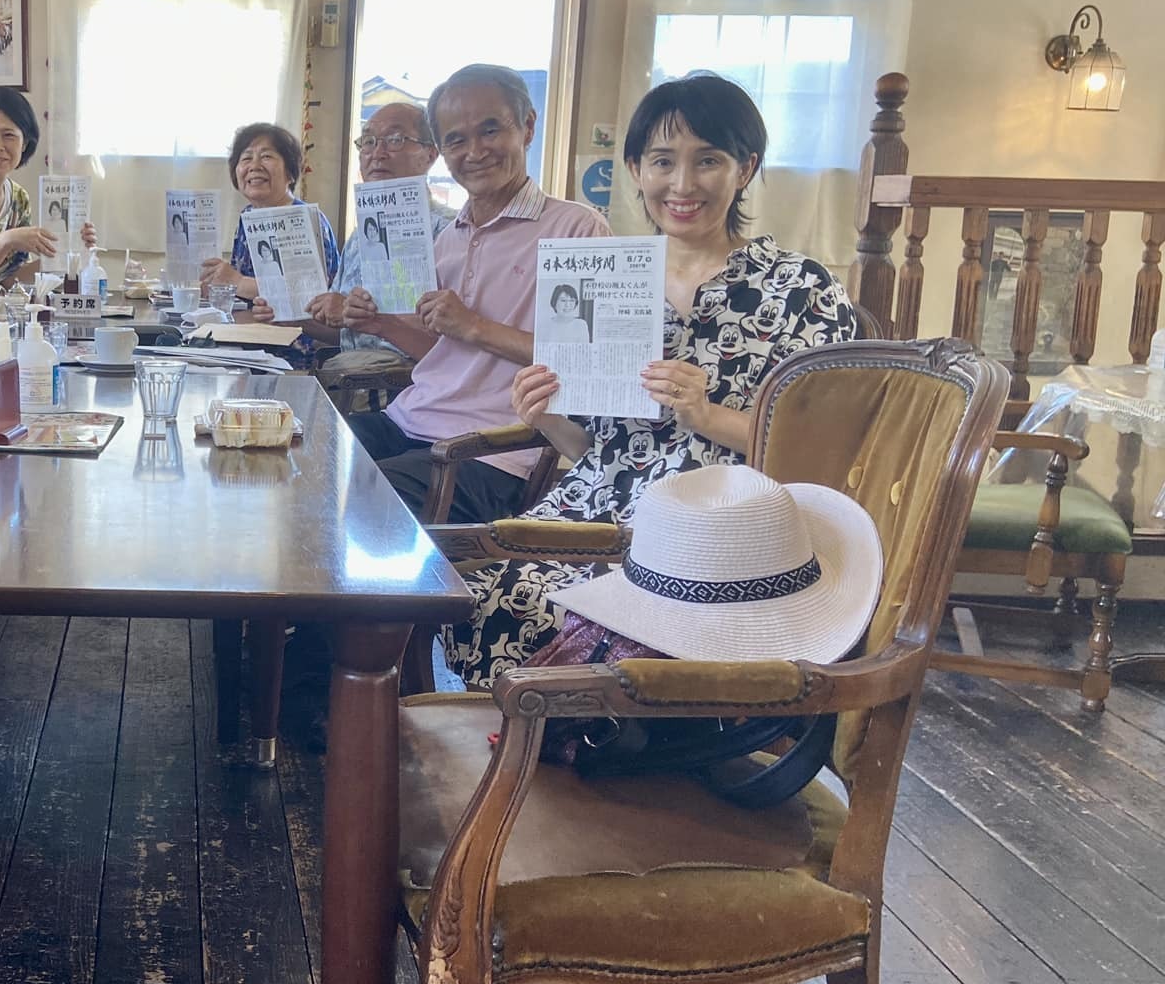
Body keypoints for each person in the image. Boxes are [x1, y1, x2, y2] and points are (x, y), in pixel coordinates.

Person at [440, 70, 860, 684]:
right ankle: (540, 737)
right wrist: (546, 415)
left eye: (708, 160)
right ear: (636, 169)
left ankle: (590, 732)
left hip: (724, 531)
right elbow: (596, 448)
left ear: (745, 168)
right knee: (489, 593)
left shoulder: (801, 287)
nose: (682, 184)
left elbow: (823, 452)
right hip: (599, 511)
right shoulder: (609, 277)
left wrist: (706, 415)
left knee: (585, 620)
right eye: (662, 161)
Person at [340, 65, 607, 523]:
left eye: (490, 130)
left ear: (527, 127)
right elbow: (446, 356)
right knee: (302, 453)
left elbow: (588, 361)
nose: (475, 151)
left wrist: (475, 326)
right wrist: (381, 324)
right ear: (442, 152)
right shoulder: (450, 237)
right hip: (409, 419)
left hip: (491, 452)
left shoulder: (575, 229)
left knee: (355, 501)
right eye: (457, 140)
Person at [297, 101, 460, 374]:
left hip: (411, 384)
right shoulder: (360, 236)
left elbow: (456, 347)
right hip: (350, 376)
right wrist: (293, 319)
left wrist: (370, 318)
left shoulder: (450, 231)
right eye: (369, 142)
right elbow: (346, 335)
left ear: (431, 154)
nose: (377, 154)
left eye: (395, 140)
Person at [0, 86, 97, 294]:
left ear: (24, 143)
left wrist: (72, 252)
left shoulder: (19, 198)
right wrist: (7, 240)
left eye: (8, 135)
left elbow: (7, 280)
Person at [200, 122, 340, 302]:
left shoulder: (303, 218)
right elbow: (242, 289)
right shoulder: (248, 215)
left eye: (266, 156)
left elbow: (307, 293)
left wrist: (237, 282)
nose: (254, 166)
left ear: (290, 172)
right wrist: (219, 283)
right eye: (246, 158)